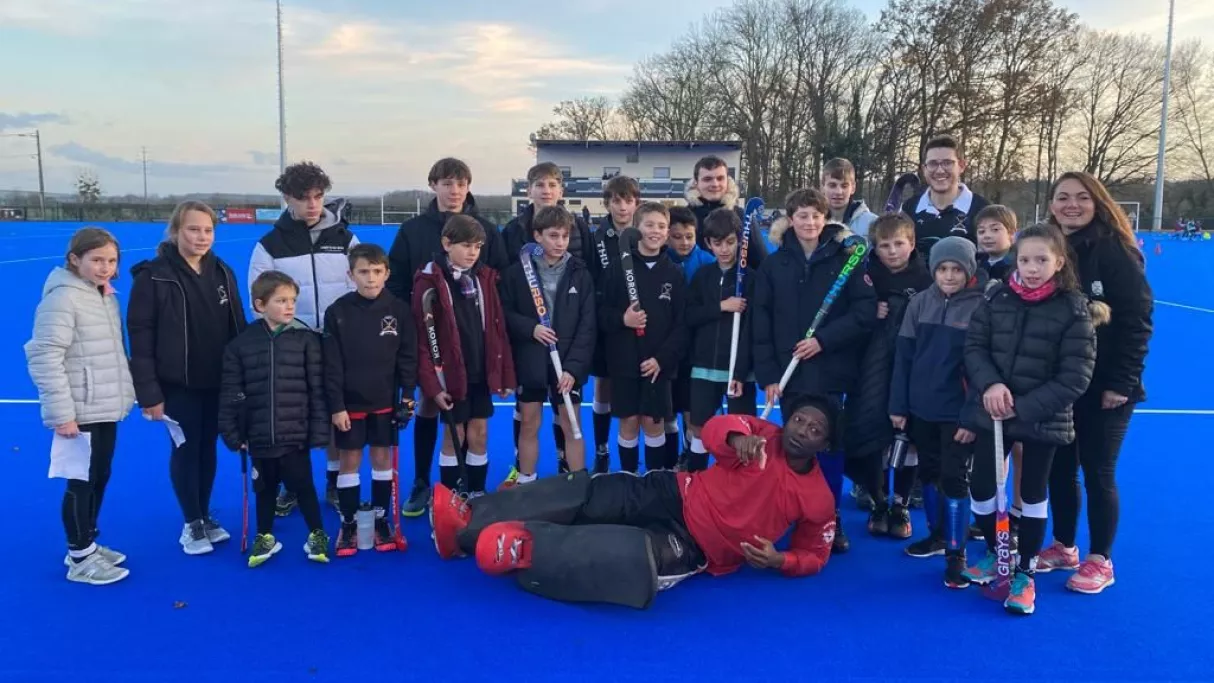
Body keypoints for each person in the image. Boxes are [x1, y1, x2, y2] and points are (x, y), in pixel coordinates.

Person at [427, 394, 839, 609]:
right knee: (591, 492)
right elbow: (717, 427)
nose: (802, 429)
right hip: (675, 491)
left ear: (825, 445)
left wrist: (781, 560)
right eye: (799, 419)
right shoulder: (763, 434)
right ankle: (467, 520)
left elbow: (814, 553)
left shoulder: (819, 498)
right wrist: (736, 438)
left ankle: (530, 551)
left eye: (815, 429)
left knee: (634, 558)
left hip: (696, 545)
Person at [959, 223, 1098, 614]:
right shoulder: (997, 296)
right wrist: (990, 385)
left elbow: (1076, 376)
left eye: (1042, 260)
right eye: (1025, 260)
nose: (1032, 268)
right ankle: (996, 551)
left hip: (1041, 416)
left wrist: (1021, 406)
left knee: (1033, 494)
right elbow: (974, 347)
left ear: (1059, 262)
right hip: (993, 411)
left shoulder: (1073, 308)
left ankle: (1025, 572)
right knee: (982, 488)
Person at [1039, 171, 1153, 594]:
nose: (1072, 205)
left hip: (1106, 386)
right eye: (1063, 197)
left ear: (1097, 202)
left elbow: (1137, 321)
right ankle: (1064, 545)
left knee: (1098, 471)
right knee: (1060, 469)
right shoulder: (1048, 248)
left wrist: (1122, 381)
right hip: (1061, 384)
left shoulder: (1115, 251)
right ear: (1051, 204)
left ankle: (1100, 559)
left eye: (1081, 197)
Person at [752, 188, 877, 553]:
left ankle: (829, 517)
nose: (809, 223)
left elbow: (864, 313)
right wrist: (768, 375)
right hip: (789, 374)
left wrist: (824, 340)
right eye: (802, 216)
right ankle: (795, 512)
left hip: (831, 371)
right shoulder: (774, 265)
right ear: (790, 219)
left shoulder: (845, 260)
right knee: (794, 446)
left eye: (816, 216)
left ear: (826, 219)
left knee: (828, 446)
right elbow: (761, 322)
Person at [385, 157, 508, 517]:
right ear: (433, 185)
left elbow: (498, 282)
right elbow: (396, 282)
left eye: (461, 184)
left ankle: (471, 488)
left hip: (473, 347)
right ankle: (424, 482)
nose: (454, 191)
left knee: (474, 425)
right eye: (447, 183)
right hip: (430, 343)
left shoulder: (487, 230)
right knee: (429, 403)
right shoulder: (413, 231)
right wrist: (413, 327)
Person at [127, 201, 248, 556]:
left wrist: (244, 379)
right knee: (186, 449)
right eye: (193, 229)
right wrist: (149, 393)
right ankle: (191, 522)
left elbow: (238, 327)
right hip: (177, 385)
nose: (201, 237)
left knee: (208, 448)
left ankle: (204, 514)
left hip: (217, 382)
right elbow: (140, 339)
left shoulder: (222, 271)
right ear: (176, 231)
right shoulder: (153, 276)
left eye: (208, 230)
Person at [25, 227, 136, 585]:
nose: (105, 268)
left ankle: (88, 541)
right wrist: (63, 414)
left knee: (99, 475)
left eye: (111, 261)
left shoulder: (104, 296)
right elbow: (44, 356)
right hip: (78, 409)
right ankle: (79, 556)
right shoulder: (62, 299)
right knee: (81, 482)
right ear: (75, 259)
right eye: (97, 260)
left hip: (104, 405)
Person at [249, 161, 358, 516]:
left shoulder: (345, 239)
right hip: (292, 347)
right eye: (303, 197)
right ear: (287, 198)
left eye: (318, 196)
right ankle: (294, 484)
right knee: (291, 419)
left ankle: (333, 482)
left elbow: (359, 288)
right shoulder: (270, 245)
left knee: (336, 415)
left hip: (337, 344)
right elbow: (258, 299)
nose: (312, 204)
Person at [219, 271, 331, 567]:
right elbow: (230, 393)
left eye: (292, 300)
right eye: (281, 301)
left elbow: (317, 389)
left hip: (295, 433)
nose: (289, 306)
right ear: (260, 305)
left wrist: (319, 431)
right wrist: (232, 434)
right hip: (258, 435)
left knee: (303, 485)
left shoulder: (306, 340)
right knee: (264, 488)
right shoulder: (240, 345)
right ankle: (265, 535)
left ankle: (317, 533)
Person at [889, 237, 985, 566]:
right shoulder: (919, 303)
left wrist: (971, 416)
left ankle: (957, 553)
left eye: (956, 269)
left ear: (968, 270)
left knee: (954, 477)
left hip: (957, 413)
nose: (949, 276)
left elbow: (983, 370)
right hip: (921, 409)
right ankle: (938, 535)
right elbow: (903, 358)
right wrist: (898, 405)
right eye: (942, 269)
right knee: (928, 473)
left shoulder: (981, 307)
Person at [500, 162, 595, 482]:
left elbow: (587, 325)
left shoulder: (580, 273)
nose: (560, 242)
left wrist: (574, 368)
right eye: (553, 236)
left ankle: (576, 487)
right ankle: (526, 482)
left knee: (572, 424)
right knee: (529, 422)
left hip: (567, 362)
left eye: (565, 236)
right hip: (531, 360)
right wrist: (530, 328)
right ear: (537, 236)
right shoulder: (517, 273)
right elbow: (504, 312)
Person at [323, 244, 418, 557]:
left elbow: (407, 358)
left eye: (377, 271)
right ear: (351, 275)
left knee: (381, 459)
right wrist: (336, 405)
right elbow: (331, 365)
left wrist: (407, 398)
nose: (371, 278)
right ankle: (349, 522)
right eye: (363, 272)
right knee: (349, 461)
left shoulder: (399, 310)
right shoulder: (337, 312)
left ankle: (380, 518)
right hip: (349, 405)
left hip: (385, 402)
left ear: (387, 273)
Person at [412, 215, 516, 497]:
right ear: (447, 244)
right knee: (454, 434)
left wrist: (505, 373)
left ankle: (476, 493)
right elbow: (423, 340)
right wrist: (433, 386)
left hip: (480, 370)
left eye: (478, 246)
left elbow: (498, 330)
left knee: (479, 433)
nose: (473, 252)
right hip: (451, 376)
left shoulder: (485, 278)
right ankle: (450, 495)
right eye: (466, 245)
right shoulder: (429, 281)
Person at [843, 213, 931, 539]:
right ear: (875, 248)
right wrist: (870, 311)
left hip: (912, 369)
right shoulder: (865, 277)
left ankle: (901, 503)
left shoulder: (928, 279)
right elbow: (848, 315)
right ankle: (878, 501)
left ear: (912, 243)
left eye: (898, 244)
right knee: (871, 434)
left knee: (908, 437)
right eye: (884, 245)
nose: (892, 251)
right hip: (871, 368)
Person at [597, 202, 687, 473]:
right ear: (636, 229)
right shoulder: (616, 269)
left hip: (658, 365)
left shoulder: (675, 273)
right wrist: (622, 320)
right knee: (628, 422)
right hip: (624, 362)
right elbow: (600, 313)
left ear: (667, 232)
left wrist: (662, 359)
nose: (655, 231)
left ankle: (653, 480)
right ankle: (628, 478)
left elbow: (682, 325)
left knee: (653, 423)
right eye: (649, 225)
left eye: (661, 226)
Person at [683, 207, 758, 472]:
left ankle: (741, 481)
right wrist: (721, 306)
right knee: (700, 427)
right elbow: (689, 316)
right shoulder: (702, 276)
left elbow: (753, 330)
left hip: (738, 372)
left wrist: (741, 371)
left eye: (729, 242)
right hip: (704, 368)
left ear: (739, 241)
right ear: (708, 243)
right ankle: (696, 479)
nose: (724, 249)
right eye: (717, 243)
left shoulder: (751, 279)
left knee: (742, 429)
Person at [588, 174, 641, 473]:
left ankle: (649, 451)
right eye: (616, 201)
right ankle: (601, 449)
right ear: (607, 204)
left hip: (641, 323)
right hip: (607, 322)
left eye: (628, 201)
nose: (622, 207)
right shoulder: (595, 238)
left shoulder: (645, 233)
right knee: (603, 386)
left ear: (636, 204)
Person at [664, 205, 715, 467]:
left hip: (697, 348)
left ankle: (691, 457)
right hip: (667, 346)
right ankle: (669, 459)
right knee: (667, 410)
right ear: (667, 236)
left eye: (689, 236)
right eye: (677, 236)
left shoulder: (708, 262)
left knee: (693, 410)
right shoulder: (661, 260)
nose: (684, 242)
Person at [901, 135, 990, 256]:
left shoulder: (982, 210)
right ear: (924, 169)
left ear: (961, 166)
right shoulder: (908, 209)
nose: (940, 171)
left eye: (947, 163)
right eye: (932, 163)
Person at [684, 155, 768, 267]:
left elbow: (761, 262)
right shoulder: (685, 217)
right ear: (696, 182)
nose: (715, 184)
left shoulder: (743, 216)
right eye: (707, 179)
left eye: (720, 178)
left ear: (727, 181)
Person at [822, 158, 878, 238]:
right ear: (823, 187)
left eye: (844, 186)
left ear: (853, 188)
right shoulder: (812, 224)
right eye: (832, 185)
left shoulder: (873, 224)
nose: (838, 192)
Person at [975, 204, 1016, 282]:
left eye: (995, 230)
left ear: (1011, 233)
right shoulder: (975, 265)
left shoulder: (1018, 266)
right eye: (981, 231)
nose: (987, 236)